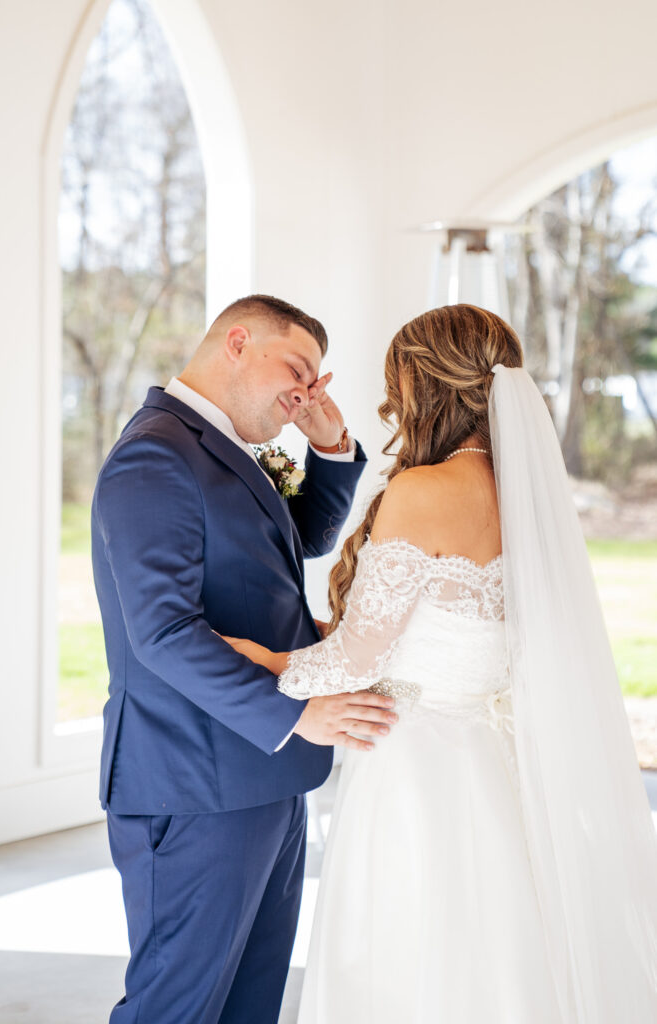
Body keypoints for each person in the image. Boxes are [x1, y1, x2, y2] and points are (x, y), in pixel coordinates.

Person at [225, 304, 657, 1023]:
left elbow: (356, 658)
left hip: (416, 768)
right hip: (494, 761)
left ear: (423, 383)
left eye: (397, 382)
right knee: (493, 955)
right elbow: (444, 626)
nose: (391, 401)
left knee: (408, 957)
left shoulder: (427, 491)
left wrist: (260, 659)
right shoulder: (520, 495)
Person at [91, 294, 398, 1024]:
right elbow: (162, 632)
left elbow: (294, 544)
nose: (304, 390)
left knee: (249, 1006)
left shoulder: (221, 447)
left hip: (264, 776)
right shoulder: (155, 455)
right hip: (195, 784)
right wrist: (295, 713)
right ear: (237, 342)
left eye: (316, 378)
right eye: (296, 367)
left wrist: (327, 446)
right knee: (179, 1008)